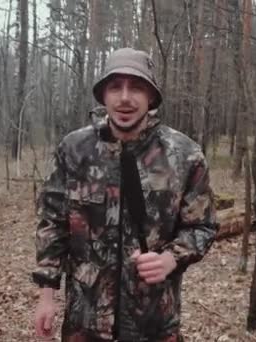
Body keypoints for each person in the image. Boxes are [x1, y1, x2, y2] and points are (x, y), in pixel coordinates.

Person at [32, 47, 218, 342]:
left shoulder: (185, 155)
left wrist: (171, 258)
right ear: (103, 95)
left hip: (154, 323)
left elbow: (203, 226)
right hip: (86, 321)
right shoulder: (74, 150)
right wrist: (46, 296)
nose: (125, 97)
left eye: (137, 87)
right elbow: (53, 223)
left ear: (152, 97)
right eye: (115, 86)